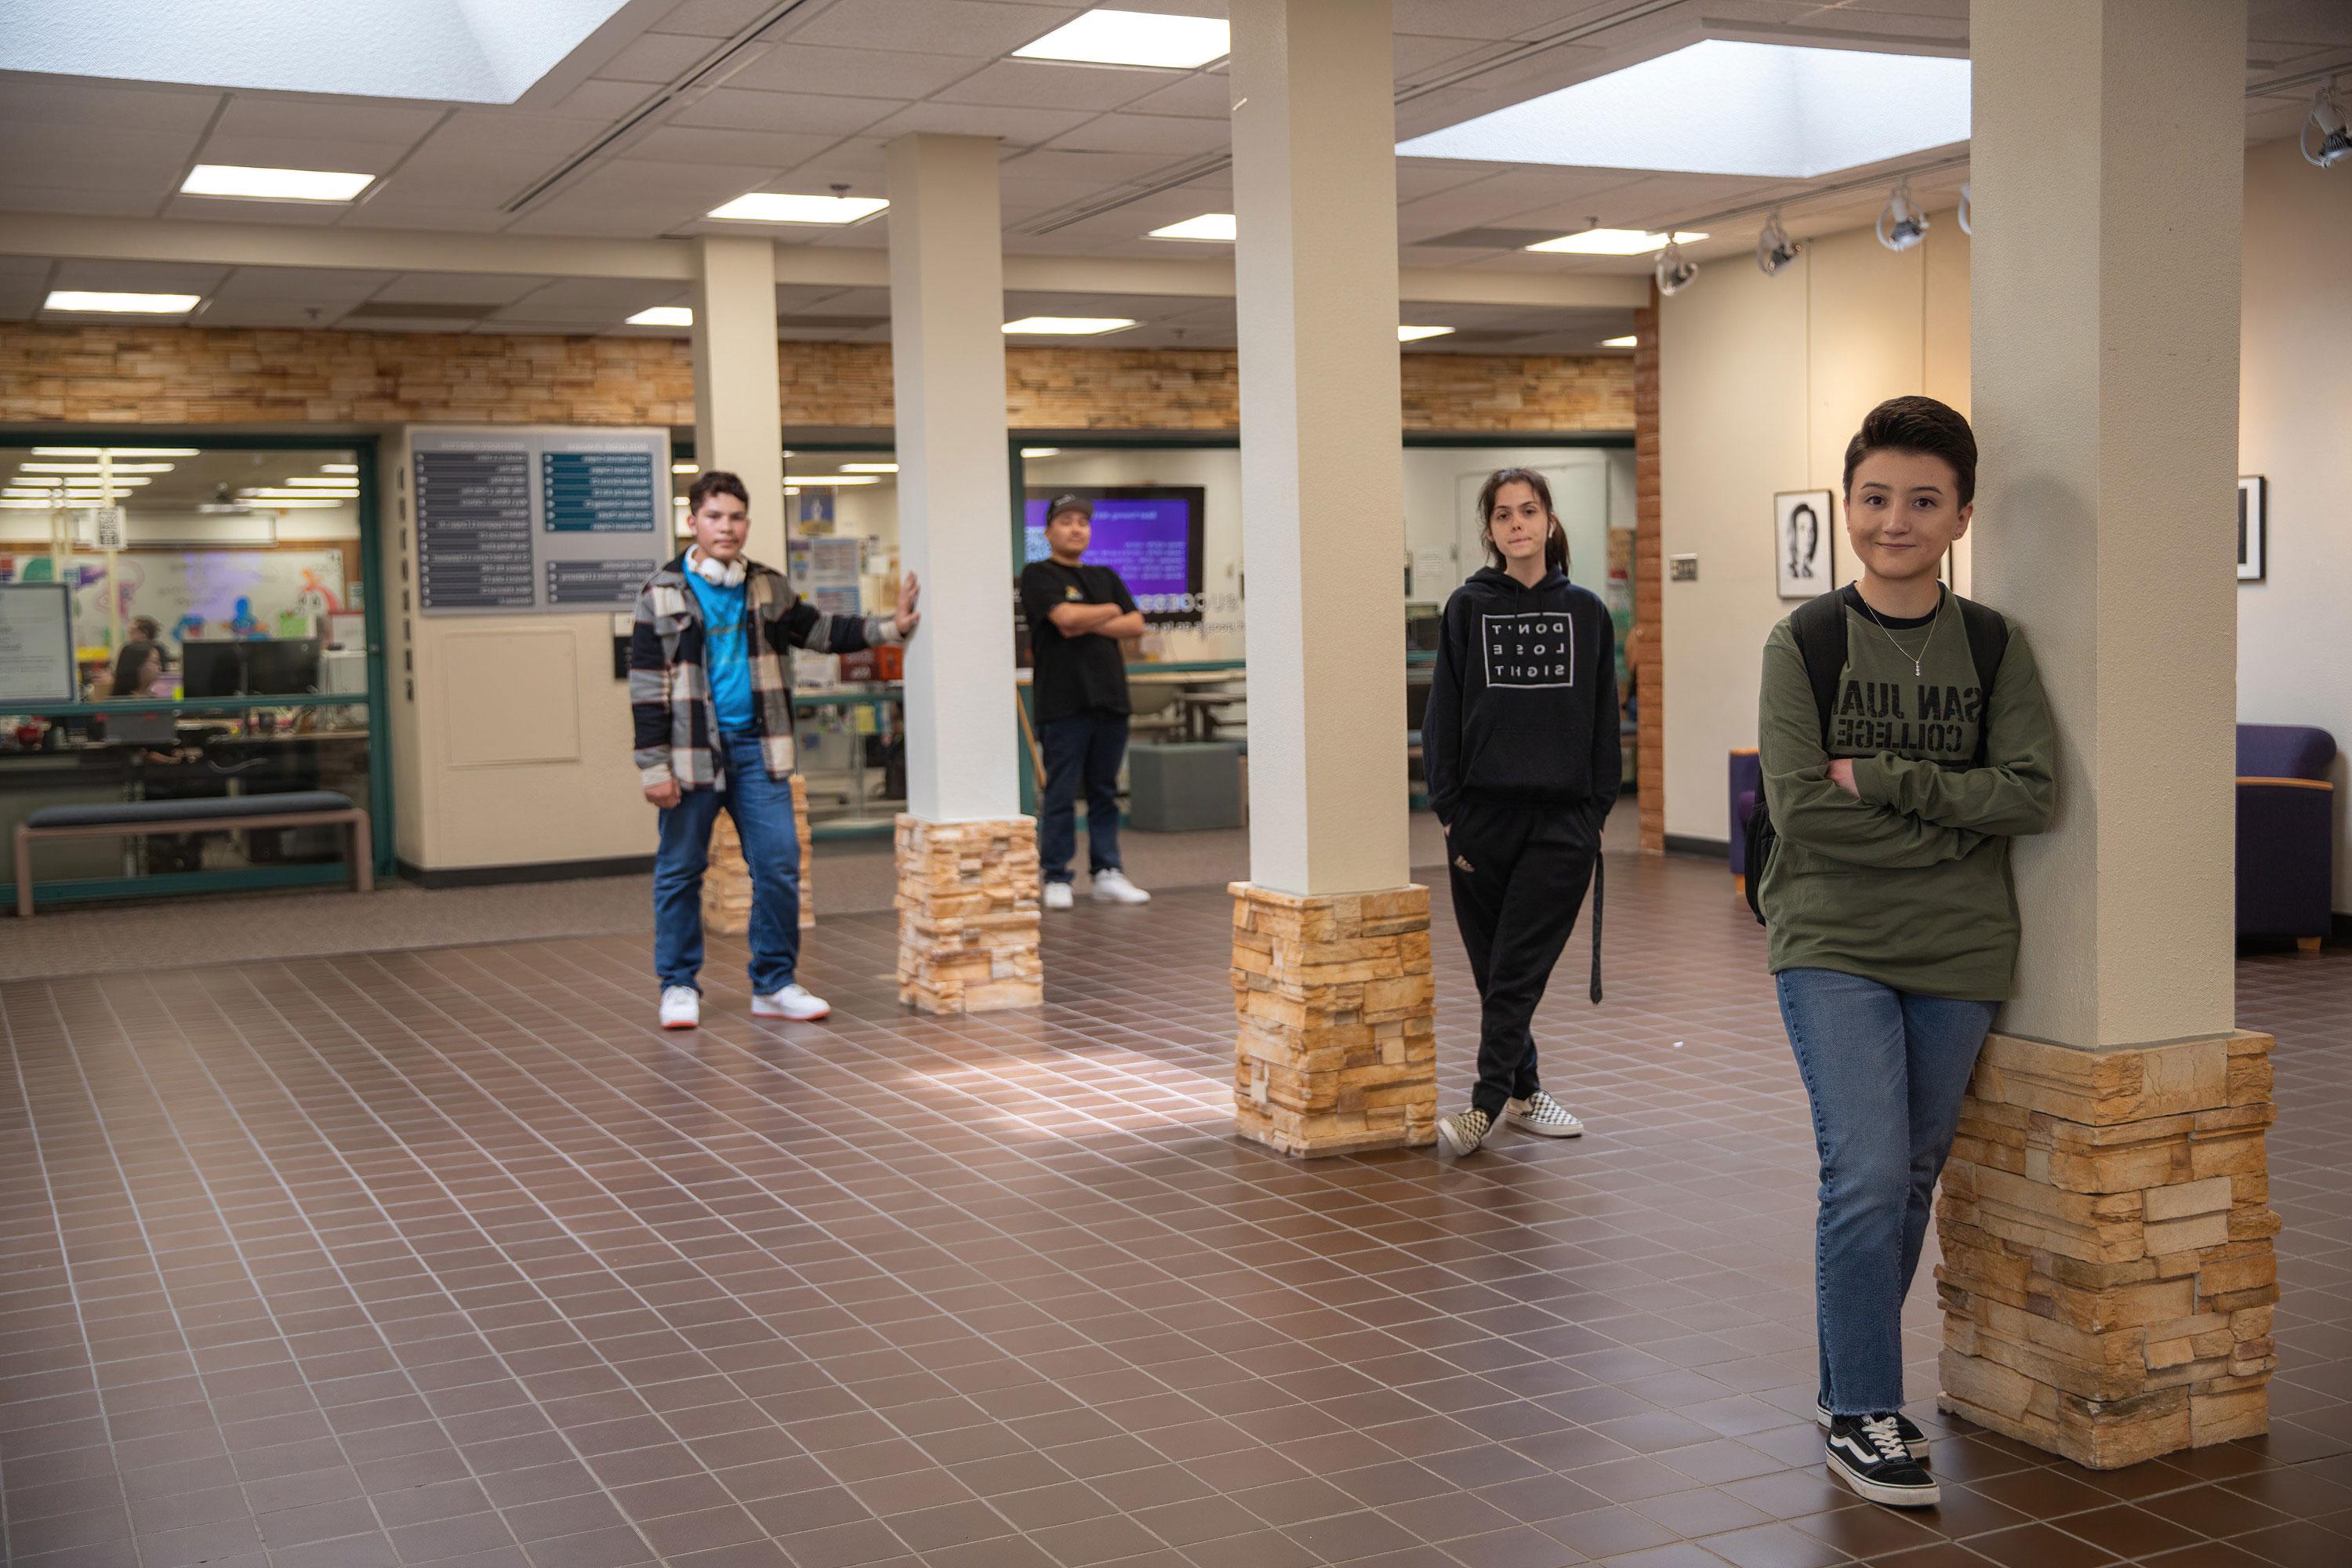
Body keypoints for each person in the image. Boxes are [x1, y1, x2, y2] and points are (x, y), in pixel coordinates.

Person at [1755, 396, 2054, 1510]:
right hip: (1831, 941)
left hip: (1960, 955)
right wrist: (1951, 839)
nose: (1895, 520)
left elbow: (2030, 793)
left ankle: (1851, 1397)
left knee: (1911, 1175)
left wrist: (1882, 777)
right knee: (1867, 1172)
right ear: (1848, 505)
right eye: (1875, 497)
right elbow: (1797, 808)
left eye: (1923, 500)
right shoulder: (1806, 642)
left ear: (1961, 514)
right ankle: (1872, 1410)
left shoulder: (1993, 644)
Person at [632, 470, 921, 1031]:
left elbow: (822, 631)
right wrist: (653, 768)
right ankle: (678, 985)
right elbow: (648, 691)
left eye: (736, 517)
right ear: (692, 523)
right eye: (714, 516)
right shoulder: (659, 593)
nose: (727, 527)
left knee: (780, 865)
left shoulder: (767, 586)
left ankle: (774, 983)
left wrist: (891, 626)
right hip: (692, 755)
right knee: (680, 870)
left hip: (759, 753)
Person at [1422, 468, 1619, 1158]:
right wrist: (1449, 814)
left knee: (1514, 970)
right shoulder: (1466, 608)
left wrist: (1594, 813)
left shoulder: (1588, 611)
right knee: (1495, 972)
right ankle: (1526, 1093)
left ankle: (1481, 1106)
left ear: (1549, 521)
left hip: (1561, 825)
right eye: (1503, 515)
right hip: (1480, 823)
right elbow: (1441, 720)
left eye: (1528, 511)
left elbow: (1603, 721)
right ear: (1492, 531)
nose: (1517, 524)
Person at [1020, 494, 1152, 909]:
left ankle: (1107, 872)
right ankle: (1057, 875)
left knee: (1104, 792)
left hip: (1110, 700)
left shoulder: (1105, 575)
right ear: (1049, 532)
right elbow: (1064, 620)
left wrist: (1091, 616)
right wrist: (1107, 614)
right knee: (1060, 793)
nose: (1076, 528)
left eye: (1083, 522)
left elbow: (1135, 625)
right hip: (1063, 703)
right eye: (1066, 521)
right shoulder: (1037, 575)